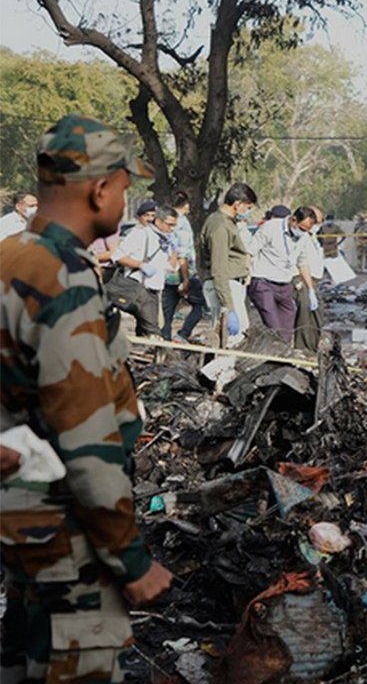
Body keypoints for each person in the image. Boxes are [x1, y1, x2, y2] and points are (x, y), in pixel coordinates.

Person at [0, 114, 172, 681]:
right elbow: (86, 437)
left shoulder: (11, 256)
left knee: (26, 659)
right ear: (100, 189)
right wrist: (132, 560)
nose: (126, 198)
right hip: (66, 528)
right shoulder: (63, 276)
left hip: (20, 517)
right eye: (125, 187)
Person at [197, 183, 257, 348]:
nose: (249, 212)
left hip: (231, 284)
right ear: (238, 204)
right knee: (231, 339)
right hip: (225, 286)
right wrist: (229, 308)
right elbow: (219, 268)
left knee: (235, 336)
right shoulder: (220, 226)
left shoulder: (227, 222)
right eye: (248, 207)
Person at [247, 206, 316, 341]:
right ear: (293, 220)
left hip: (284, 285)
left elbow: (303, 263)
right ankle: (272, 354)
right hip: (263, 283)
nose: (303, 233)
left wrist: (311, 289)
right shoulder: (270, 228)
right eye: (301, 229)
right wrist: (247, 278)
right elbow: (249, 253)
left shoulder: (303, 237)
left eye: (306, 231)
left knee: (287, 329)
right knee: (274, 327)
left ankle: (281, 357)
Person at [109, 202, 177, 337]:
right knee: (154, 333)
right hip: (139, 288)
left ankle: (138, 356)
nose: (172, 229)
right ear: (158, 221)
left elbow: (171, 267)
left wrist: (174, 249)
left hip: (154, 291)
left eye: (174, 225)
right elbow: (117, 256)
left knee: (144, 331)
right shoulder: (141, 234)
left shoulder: (165, 240)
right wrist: (140, 265)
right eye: (169, 225)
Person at [161, 191, 206, 343]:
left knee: (167, 312)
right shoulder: (182, 225)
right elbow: (182, 255)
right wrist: (186, 279)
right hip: (184, 273)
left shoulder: (165, 221)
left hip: (167, 274)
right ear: (186, 205)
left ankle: (164, 341)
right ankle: (183, 334)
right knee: (200, 305)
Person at [293, 206, 326, 353]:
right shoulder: (301, 236)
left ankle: (312, 347)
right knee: (305, 315)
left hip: (313, 279)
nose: (317, 225)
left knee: (317, 315)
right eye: (316, 222)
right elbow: (301, 262)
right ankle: (303, 348)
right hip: (303, 278)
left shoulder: (312, 237)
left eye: (319, 221)